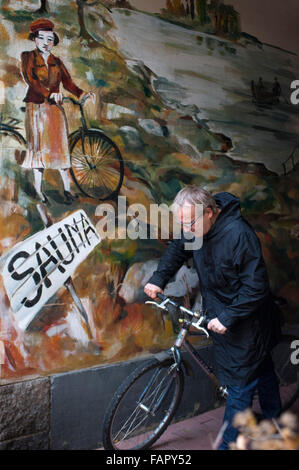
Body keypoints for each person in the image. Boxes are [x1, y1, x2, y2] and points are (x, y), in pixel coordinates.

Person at [144, 186, 283, 450]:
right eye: (182, 223)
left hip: (247, 320)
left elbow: (255, 286)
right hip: (221, 316)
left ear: (210, 212)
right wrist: (158, 279)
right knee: (262, 368)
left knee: (240, 385)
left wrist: (228, 317)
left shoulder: (239, 235)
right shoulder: (196, 229)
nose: (187, 230)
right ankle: (274, 422)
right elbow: (178, 248)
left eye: (190, 223)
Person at [20, 18, 94, 205]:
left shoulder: (57, 61)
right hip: (36, 107)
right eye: (42, 38)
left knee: (61, 149)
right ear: (35, 39)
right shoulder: (28, 57)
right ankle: (39, 191)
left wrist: (82, 93)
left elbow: (68, 82)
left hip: (54, 109)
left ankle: (68, 190)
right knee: (39, 150)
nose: (46, 43)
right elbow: (31, 80)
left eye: (50, 39)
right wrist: (49, 94)